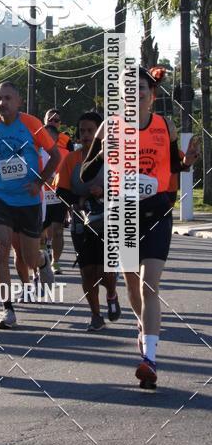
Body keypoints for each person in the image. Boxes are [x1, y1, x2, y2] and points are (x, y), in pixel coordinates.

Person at [81, 66, 200, 388]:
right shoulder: (110, 127)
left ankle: (149, 358)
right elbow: (84, 174)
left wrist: (187, 161)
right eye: (127, 91)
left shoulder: (164, 124)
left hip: (158, 213)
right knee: (133, 286)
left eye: (141, 91)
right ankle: (142, 326)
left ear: (152, 95)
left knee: (149, 284)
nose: (134, 96)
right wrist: (104, 153)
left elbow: (174, 165)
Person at [0, 81, 60, 330]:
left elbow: (56, 156)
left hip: (28, 200)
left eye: (7, 98)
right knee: (0, 249)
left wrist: (39, 182)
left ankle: (42, 261)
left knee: (28, 258)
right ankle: (7, 309)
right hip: (1, 198)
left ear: (18, 102)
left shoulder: (32, 125)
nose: (2, 103)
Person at [56, 112, 121, 330]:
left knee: (104, 271)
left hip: (110, 221)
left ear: (101, 134)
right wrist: (80, 199)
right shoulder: (71, 159)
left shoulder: (114, 158)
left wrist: (104, 192)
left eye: (90, 131)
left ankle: (111, 294)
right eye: (82, 131)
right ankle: (95, 315)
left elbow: (127, 187)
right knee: (87, 272)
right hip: (80, 223)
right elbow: (61, 191)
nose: (85, 136)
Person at [40, 124, 69, 274]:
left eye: (51, 136)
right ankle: (42, 254)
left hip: (58, 197)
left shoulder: (65, 154)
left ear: (57, 138)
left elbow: (69, 174)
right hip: (41, 196)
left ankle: (55, 262)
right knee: (40, 231)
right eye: (45, 136)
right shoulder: (36, 153)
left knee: (58, 231)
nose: (48, 139)